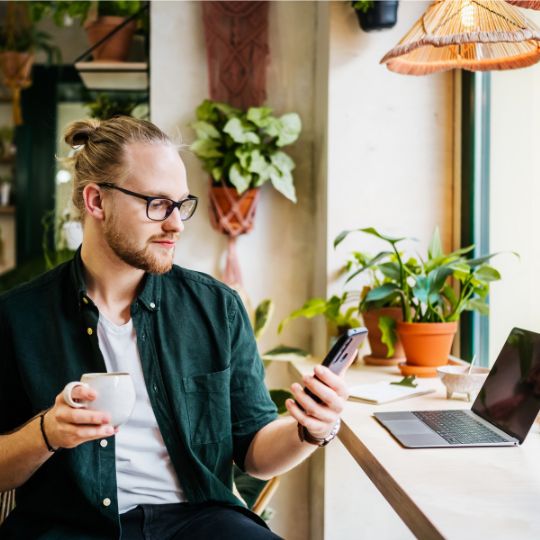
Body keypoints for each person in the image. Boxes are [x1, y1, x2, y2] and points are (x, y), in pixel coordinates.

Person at [0, 117, 348, 540]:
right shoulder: (19, 317)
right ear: (96, 201)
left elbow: (254, 453)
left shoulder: (216, 307)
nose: (176, 224)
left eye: (181, 204)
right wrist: (47, 432)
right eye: (157, 204)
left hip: (200, 521)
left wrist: (311, 429)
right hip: (70, 525)